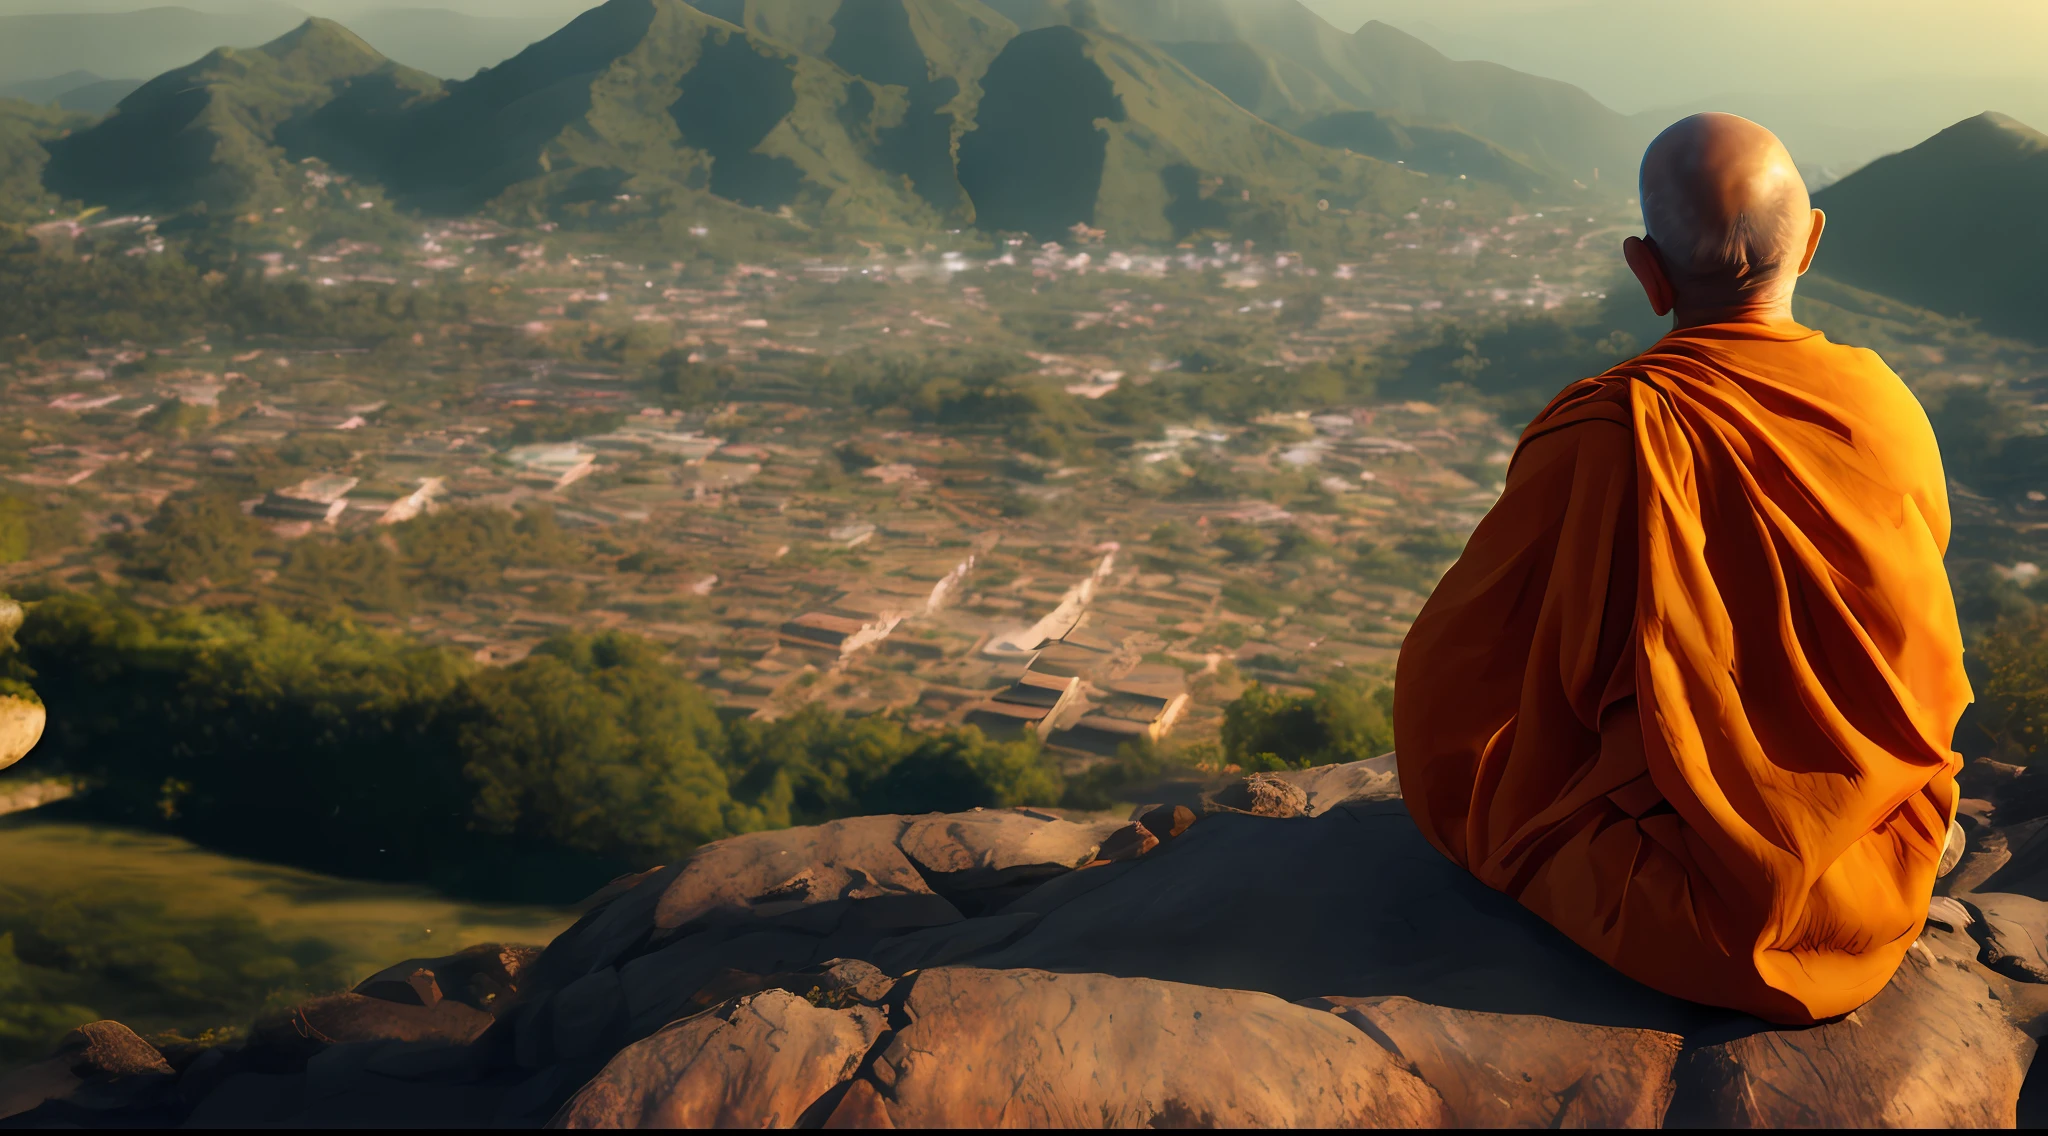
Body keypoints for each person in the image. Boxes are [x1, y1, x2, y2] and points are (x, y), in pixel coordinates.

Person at [1393, 113, 1970, 1026]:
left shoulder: (1606, 431)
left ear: (1645, 271)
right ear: (1812, 243)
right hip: (1879, 860)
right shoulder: (1883, 406)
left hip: (1689, 911)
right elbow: (1909, 641)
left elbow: (1451, 682)